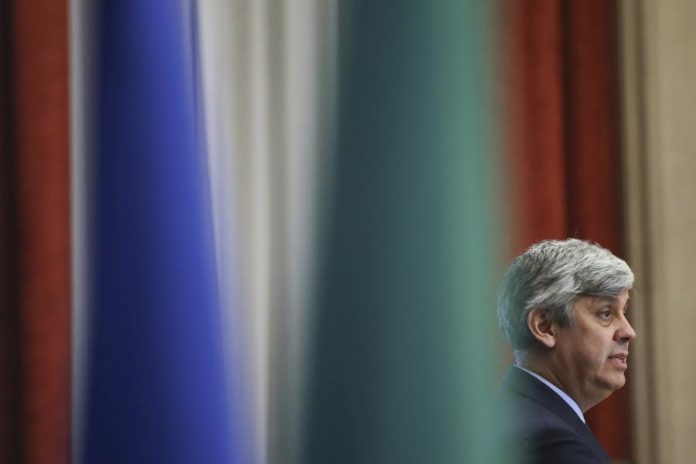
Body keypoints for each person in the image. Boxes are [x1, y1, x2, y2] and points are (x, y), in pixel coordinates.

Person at [493, 239, 636, 463]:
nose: (628, 332)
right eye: (606, 313)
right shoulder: (550, 441)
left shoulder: (511, 413)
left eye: (623, 312)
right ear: (545, 326)